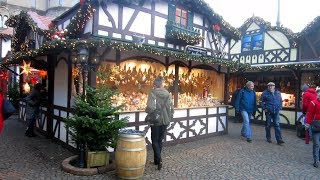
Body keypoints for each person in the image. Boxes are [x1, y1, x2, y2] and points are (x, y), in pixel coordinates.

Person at [145, 76, 174, 170]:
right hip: (165, 121)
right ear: (162, 84)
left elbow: (151, 107)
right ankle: (157, 161)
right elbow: (171, 109)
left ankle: (159, 160)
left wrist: (147, 110)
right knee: (160, 140)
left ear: (155, 85)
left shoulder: (153, 92)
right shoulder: (168, 94)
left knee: (154, 140)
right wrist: (169, 118)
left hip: (156, 121)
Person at [305, 89, 320, 168]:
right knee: (316, 144)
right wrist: (307, 123)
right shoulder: (313, 103)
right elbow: (310, 114)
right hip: (316, 125)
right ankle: (316, 160)